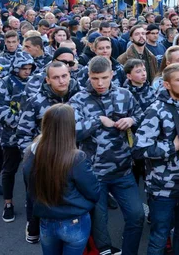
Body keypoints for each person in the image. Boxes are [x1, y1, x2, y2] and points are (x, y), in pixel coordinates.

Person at [70, 56, 145, 255]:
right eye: (95, 78)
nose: (100, 83)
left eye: (104, 77)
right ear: (89, 76)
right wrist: (98, 120)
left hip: (123, 171)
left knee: (137, 216)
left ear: (112, 74)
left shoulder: (125, 94)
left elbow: (141, 116)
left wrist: (131, 120)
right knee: (100, 224)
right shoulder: (78, 99)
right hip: (94, 174)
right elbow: (72, 130)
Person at [133, 64, 179, 255]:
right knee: (159, 237)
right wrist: (173, 146)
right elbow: (140, 150)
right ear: (166, 84)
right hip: (163, 189)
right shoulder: (155, 111)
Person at [22, 104, 100, 255]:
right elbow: (93, 192)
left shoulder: (30, 152)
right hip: (74, 221)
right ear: (70, 126)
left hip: (46, 221)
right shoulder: (77, 157)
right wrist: (84, 206)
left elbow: (30, 188)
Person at [0, 51, 35, 224]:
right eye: (23, 68)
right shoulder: (5, 84)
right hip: (10, 136)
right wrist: (19, 122)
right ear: (15, 68)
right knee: (9, 170)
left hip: (30, 136)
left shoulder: (34, 82)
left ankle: (30, 202)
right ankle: (8, 203)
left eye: (30, 68)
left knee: (30, 172)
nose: (27, 71)